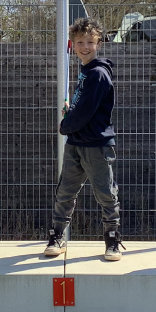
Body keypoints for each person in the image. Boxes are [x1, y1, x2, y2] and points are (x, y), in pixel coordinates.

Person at [45, 17, 124, 261]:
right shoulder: (86, 72)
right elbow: (82, 105)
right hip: (76, 144)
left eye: (90, 41)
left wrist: (66, 125)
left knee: (105, 193)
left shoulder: (98, 73)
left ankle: (112, 239)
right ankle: (57, 236)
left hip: (96, 145)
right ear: (73, 43)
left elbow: (87, 111)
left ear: (98, 43)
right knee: (65, 191)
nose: (84, 46)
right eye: (79, 41)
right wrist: (72, 107)